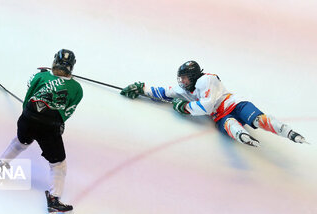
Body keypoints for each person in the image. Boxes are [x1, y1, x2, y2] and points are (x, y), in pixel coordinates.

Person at [0, 49, 83, 214]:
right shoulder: (77, 88)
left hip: (27, 119)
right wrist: (59, 123)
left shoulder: (39, 76)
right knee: (58, 164)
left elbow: (28, 96)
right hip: (49, 126)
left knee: (21, 142)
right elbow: (68, 110)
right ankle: (54, 202)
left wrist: (26, 114)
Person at [120, 60, 307, 147]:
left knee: (258, 120)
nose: (182, 82)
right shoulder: (186, 89)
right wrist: (142, 88)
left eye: (185, 78)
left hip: (234, 104)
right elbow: (166, 93)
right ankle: (244, 137)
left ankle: (287, 131)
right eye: (181, 78)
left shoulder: (206, 80)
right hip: (220, 116)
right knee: (235, 130)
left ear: (193, 77)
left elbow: (207, 106)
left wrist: (184, 107)